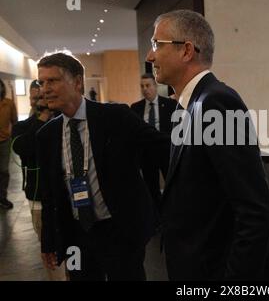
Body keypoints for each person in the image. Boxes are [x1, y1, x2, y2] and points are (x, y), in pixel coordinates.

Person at [146, 9, 269, 281]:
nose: (150, 56)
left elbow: (254, 212)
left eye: (157, 44)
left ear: (187, 51)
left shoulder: (217, 103)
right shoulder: (191, 104)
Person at [36, 52, 169, 281]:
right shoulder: (47, 135)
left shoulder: (115, 117)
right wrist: (49, 240)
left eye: (52, 80)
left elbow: (162, 148)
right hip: (76, 235)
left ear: (77, 82)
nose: (44, 89)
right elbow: (49, 194)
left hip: (119, 230)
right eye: (41, 82)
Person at [12, 84, 66, 280]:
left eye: (43, 98)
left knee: (75, 249)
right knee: (51, 249)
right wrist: (42, 118)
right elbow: (22, 148)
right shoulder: (23, 127)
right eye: (35, 99)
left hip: (67, 195)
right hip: (38, 196)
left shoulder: (63, 122)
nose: (38, 102)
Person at [131, 74, 176, 211]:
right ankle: (157, 218)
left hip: (165, 151)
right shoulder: (136, 108)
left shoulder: (169, 104)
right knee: (151, 187)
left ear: (155, 86)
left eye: (148, 85)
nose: (145, 89)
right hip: (146, 154)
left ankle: (173, 211)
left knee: (171, 184)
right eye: (142, 86)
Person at [0, 78, 18, 210]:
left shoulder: (9, 103)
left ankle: (2, 197)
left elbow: (15, 121)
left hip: (5, 141)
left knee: (4, 171)